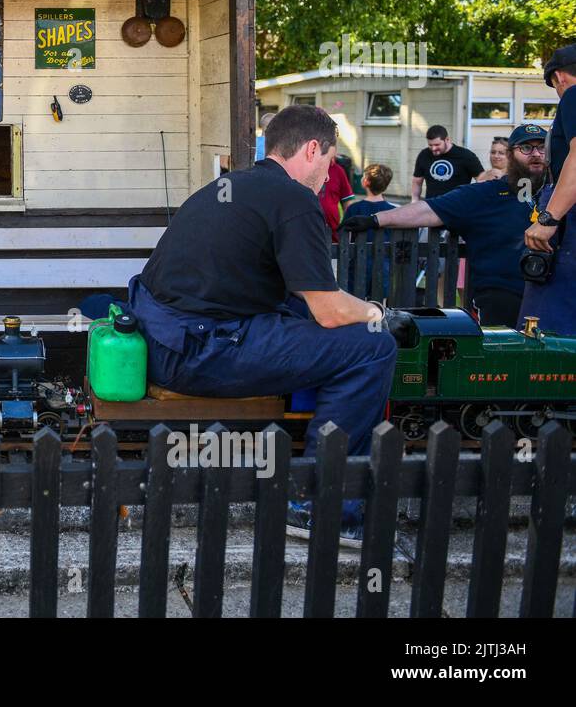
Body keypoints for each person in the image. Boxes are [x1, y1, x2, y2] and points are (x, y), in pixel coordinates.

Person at [127, 105, 399, 546]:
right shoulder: (295, 201)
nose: (330, 177)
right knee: (373, 347)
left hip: (160, 342)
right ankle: (319, 507)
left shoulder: (228, 186)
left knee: (304, 318)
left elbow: (285, 294)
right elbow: (329, 310)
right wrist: (381, 314)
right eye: (330, 162)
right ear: (313, 149)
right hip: (198, 352)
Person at [343, 124, 547, 328]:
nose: (536, 154)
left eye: (542, 147)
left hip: (550, 295)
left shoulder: (561, 195)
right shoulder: (485, 194)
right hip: (500, 297)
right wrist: (376, 219)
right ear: (511, 155)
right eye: (526, 148)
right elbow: (429, 209)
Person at [520, 43, 576, 335]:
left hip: (569, 225)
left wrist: (549, 218)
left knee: (547, 331)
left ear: (559, 78)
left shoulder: (573, 95)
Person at [340, 163, 396, 299]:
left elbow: (344, 237)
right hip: (384, 265)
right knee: (379, 302)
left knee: (356, 300)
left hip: (358, 263)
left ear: (365, 182)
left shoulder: (354, 209)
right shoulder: (393, 211)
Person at [411, 124, 484, 200]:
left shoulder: (466, 155)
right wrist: (414, 201)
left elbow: (481, 180)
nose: (433, 148)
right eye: (430, 145)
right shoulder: (424, 155)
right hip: (431, 206)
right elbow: (417, 181)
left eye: (437, 144)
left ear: (447, 140)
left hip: (458, 207)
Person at [319, 155, 355, 242]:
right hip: (307, 231)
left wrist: (345, 226)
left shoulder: (338, 170)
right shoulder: (305, 167)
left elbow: (348, 202)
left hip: (333, 234)